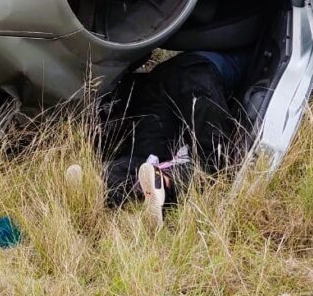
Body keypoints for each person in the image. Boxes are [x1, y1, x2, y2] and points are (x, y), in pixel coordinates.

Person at [104, 48, 252, 226]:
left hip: (163, 74)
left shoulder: (227, 38)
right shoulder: (259, 49)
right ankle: (163, 180)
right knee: (215, 163)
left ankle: (101, 182)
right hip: (198, 77)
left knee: (146, 155)